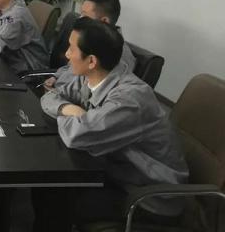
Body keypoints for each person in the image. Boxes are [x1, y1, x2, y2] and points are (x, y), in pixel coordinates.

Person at [32, 17, 188, 231]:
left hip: (149, 197)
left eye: (71, 49)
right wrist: (69, 109)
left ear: (92, 61)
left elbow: (77, 135)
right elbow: (51, 96)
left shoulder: (130, 99)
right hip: (118, 174)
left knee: (56, 198)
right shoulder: (93, 77)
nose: (66, 54)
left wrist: (77, 118)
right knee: (48, 187)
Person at [45, 0, 136, 89]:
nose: (80, 19)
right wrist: (56, 77)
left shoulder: (119, 56)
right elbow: (70, 67)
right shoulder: (88, 40)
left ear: (104, 21)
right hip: (56, 89)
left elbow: (95, 92)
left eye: (84, 15)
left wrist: (58, 93)